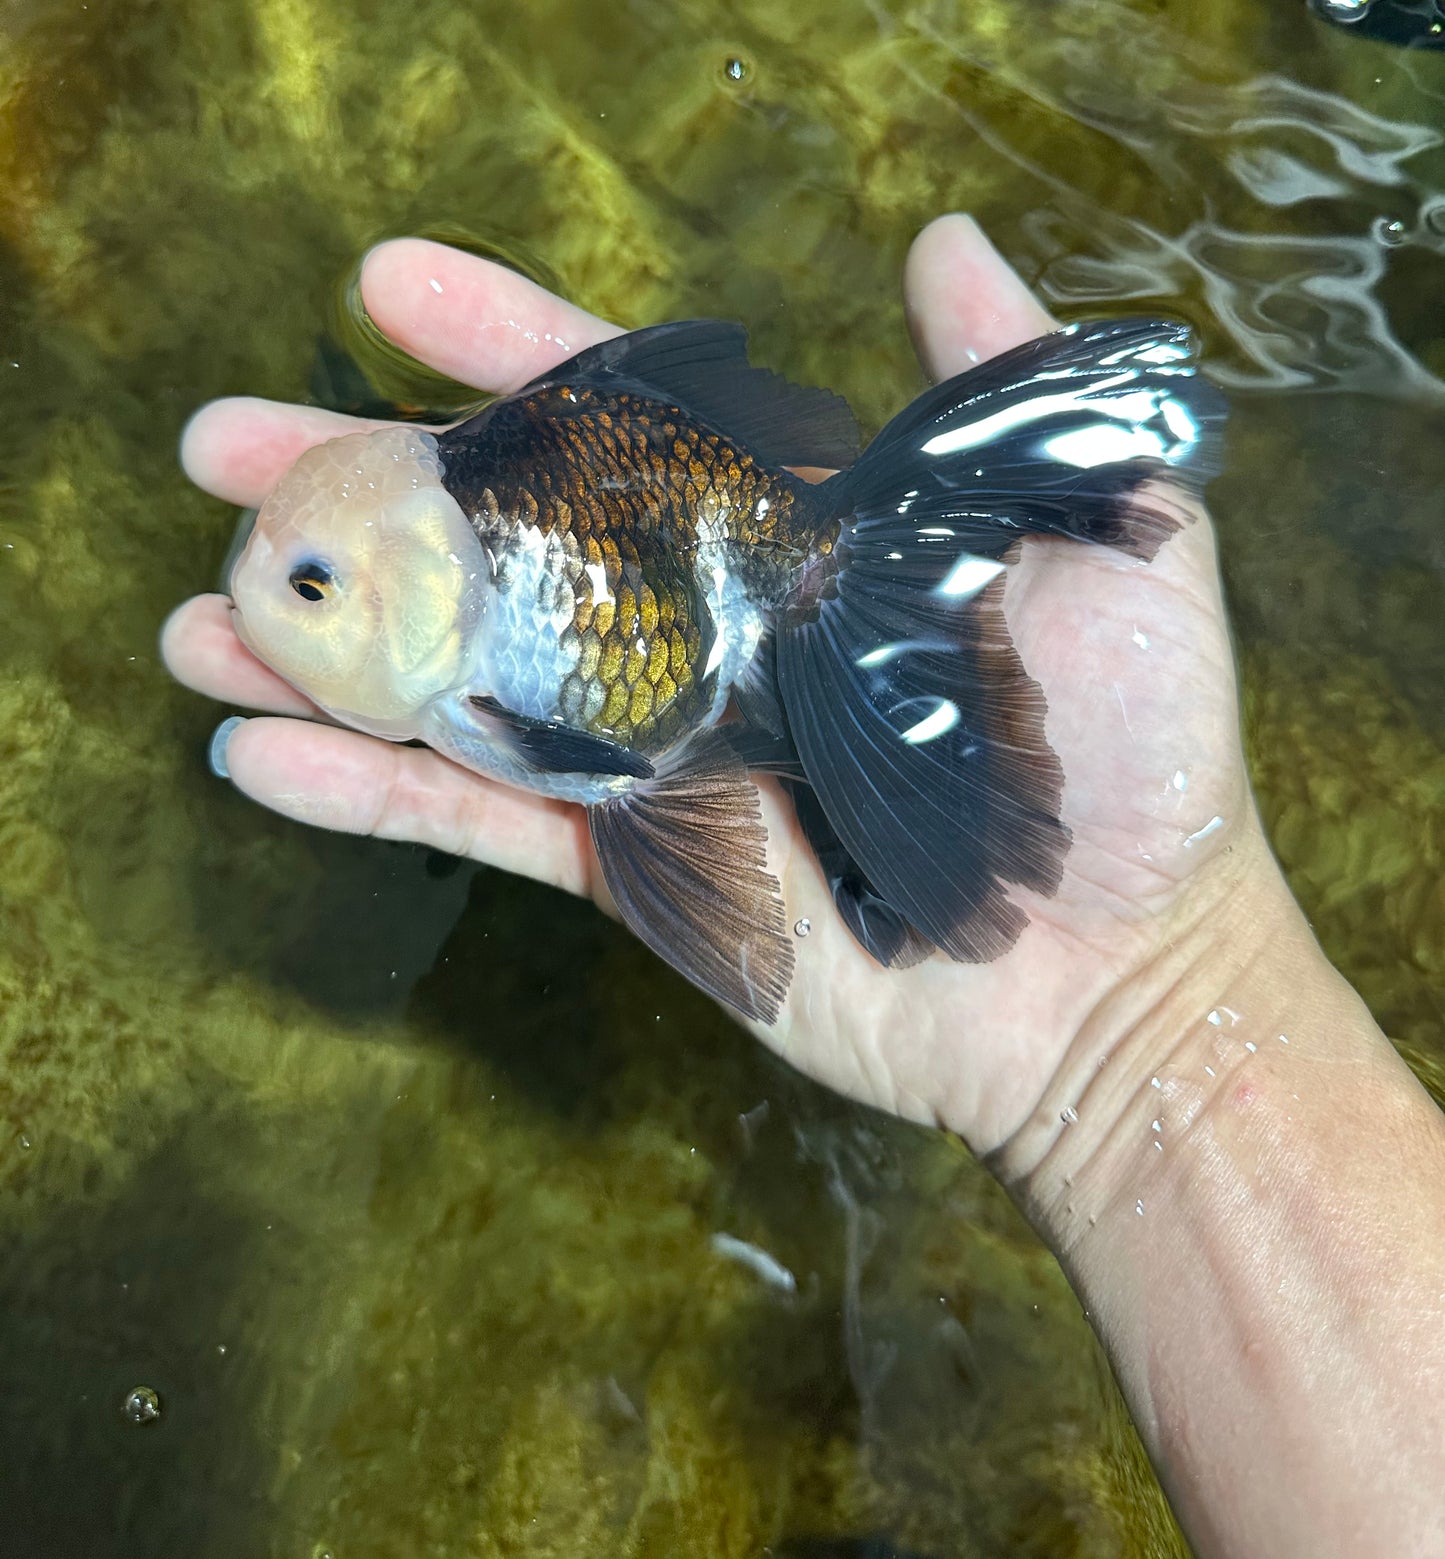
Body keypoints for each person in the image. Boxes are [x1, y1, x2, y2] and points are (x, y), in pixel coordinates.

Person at [162, 214, 1445, 1558]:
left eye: (309, 584)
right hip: (703, 597)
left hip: (719, 579)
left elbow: (601, 756)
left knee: (674, 750)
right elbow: (617, 768)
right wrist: (1152, 1033)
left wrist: (1152, 1022)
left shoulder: (508, 663)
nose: (270, 591)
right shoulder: (464, 602)